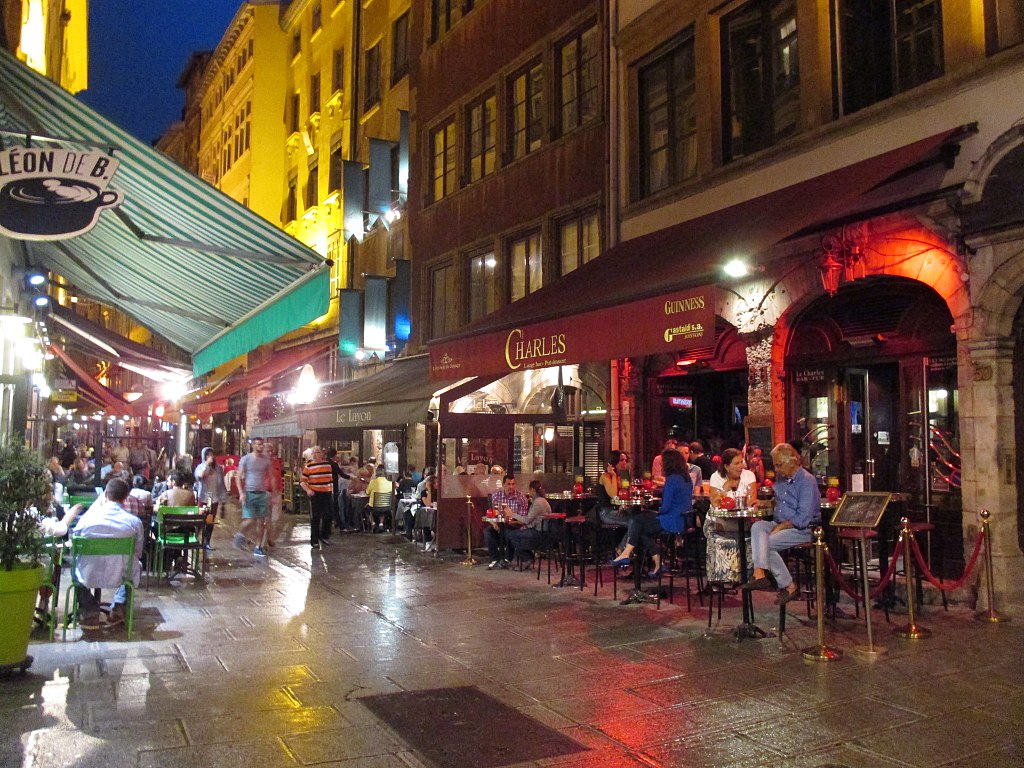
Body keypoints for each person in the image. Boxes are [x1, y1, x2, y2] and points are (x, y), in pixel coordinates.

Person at [743, 443, 821, 605]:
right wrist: (765, 504)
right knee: (757, 527)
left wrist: (780, 527)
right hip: (780, 523)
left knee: (768, 543)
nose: (776, 470)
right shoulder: (781, 478)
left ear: (791, 461)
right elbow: (780, 502)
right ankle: (760, 574)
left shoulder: (807, 481)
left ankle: (789, 586)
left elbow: (803, 518)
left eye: (779, 465)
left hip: (802, 529)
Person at [70, 478, 146, 629]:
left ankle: (89, 610)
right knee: (136, 566)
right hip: (121, 573)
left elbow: (74, 547)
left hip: (88, 572)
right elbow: (137, 552)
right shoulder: (134, 522)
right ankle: (118, 607)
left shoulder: (86, 520)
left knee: (75, 570)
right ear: (125, 498)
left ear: (105, 494)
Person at [611, 449, 692, 576]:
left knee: (637, 520)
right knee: (640, 528)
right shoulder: (686, 479)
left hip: (672, 520)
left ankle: (626, 553)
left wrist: (656, 511)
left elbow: (666, 507)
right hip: (684, 519)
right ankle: (657, 562)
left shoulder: (672, 479)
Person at [234, 438, 272, 556]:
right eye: (259, 444)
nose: (261, 447)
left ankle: (258, 546)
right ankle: (239, 534)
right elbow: (238, 476)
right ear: (254, 446)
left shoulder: (266, 460)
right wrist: (241, 493)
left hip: (262, 493)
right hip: (249, 492)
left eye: (262, 444)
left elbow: (271, 475)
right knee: (250, 520)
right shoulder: (246, 459)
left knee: (261, 521)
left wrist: (272, 491)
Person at [485, 474, 529, 569]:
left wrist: (511, 519)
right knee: (488, 531)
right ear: (503, 484)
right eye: (508, 484)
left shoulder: (521, 498)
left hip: (514, 524)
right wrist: (494, 523)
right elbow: (491, 514)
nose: (511, 487)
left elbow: (523, 519)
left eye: (513, 484)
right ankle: (495, 558)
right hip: (500, 523)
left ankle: (506, 559)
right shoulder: (496, 496)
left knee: (508, 531)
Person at [506, 480, 551, 568]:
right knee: (516, 532)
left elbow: (527, 520)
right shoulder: (542, 500)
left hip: (539, 532)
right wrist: (527, 526)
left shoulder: (538, 502)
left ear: (533, 490)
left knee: (511, 534)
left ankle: (527, 558)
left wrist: (512, 514)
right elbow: (535, 519)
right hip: (542, 530)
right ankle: (528, 556)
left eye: (529, 490)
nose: (529, 492)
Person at [299, 446, 335, 548]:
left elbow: (330, 479)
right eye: (313, 453)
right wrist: (308, 490)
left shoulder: (327, 465)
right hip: (315, 494)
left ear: (321, 454)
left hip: (327, 493)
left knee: (328, 515)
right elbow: (302, 481)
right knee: (315, 518)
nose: (315, 455)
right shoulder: (309, 466)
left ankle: (324, 535)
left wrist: (331, 490)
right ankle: (314, 540)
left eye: (317, 452)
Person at [194, 448, 226, 549]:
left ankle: (206, 541)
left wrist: (223, 500)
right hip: (204, 496)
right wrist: (206, 464)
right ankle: (195, 538)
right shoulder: (201, 467)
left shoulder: (218, 469)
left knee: (210, 520)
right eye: (208, 455)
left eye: (212, 455)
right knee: (200, 519)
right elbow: (199, 477)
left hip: (214, 497)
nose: (211, 457)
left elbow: (221, 484)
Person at [596, 451, 632, 529]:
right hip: (606, 513)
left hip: (616, 510)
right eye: (621, 460)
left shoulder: (618, 477)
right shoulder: (605, 476)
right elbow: (613, 495)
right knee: (634, 522)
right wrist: (613, 475)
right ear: (614, 461)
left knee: (637, 518)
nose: (624, 462)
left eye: (625, 460)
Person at [265, 443, 285, 545]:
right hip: (265, 492)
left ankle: (269, 537)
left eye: (271, 451)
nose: (270, 453)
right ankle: (264, 539)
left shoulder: (276, 461)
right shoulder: (260, 462)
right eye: (267, 451)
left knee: (275, 518)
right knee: (264, 518)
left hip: (276, 492)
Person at [367, 465, 395, 532]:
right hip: (387, 506)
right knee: (382, 511)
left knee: (367, 509)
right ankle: (381, 523)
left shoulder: (372, 482)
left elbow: (367, 492)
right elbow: (395, 493)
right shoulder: (390, 483)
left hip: (375, 506)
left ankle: (372, 523)